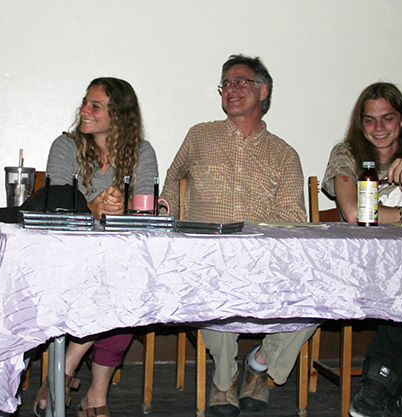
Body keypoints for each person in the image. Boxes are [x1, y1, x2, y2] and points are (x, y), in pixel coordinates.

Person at [160, 54, 313, 417]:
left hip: (262, 259)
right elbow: (172, 179)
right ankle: (224, 378)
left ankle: (260, 362)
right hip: (207, 255)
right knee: (212, 277)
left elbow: (294, 218)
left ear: (263, 91)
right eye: (226, 84)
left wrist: (263, 249)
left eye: (241, 82)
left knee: (321, 291)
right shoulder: (200, 135)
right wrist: (167, 220)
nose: (232, 89)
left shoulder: (284, 154)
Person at [321, 82, 402, 417]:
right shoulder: (346, 153)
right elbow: (354, 212)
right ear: (360, 123)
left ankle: (379, 382)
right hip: (359, 263)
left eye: (388, 118)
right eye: (369, 120)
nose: (378, 127)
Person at [33, 77, 158, 417]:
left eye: (95, 106)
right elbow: (57, 203)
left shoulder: (142, 151)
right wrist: (92, 207)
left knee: (126, 281)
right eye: (85, 103)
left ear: (119, 115)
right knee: (116, 286)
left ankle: (67, 368)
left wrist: (121, 205)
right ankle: (95, 395)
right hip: (70, 254)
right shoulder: (66, 146)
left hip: (120, 254)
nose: (84, 110)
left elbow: (145, 208)